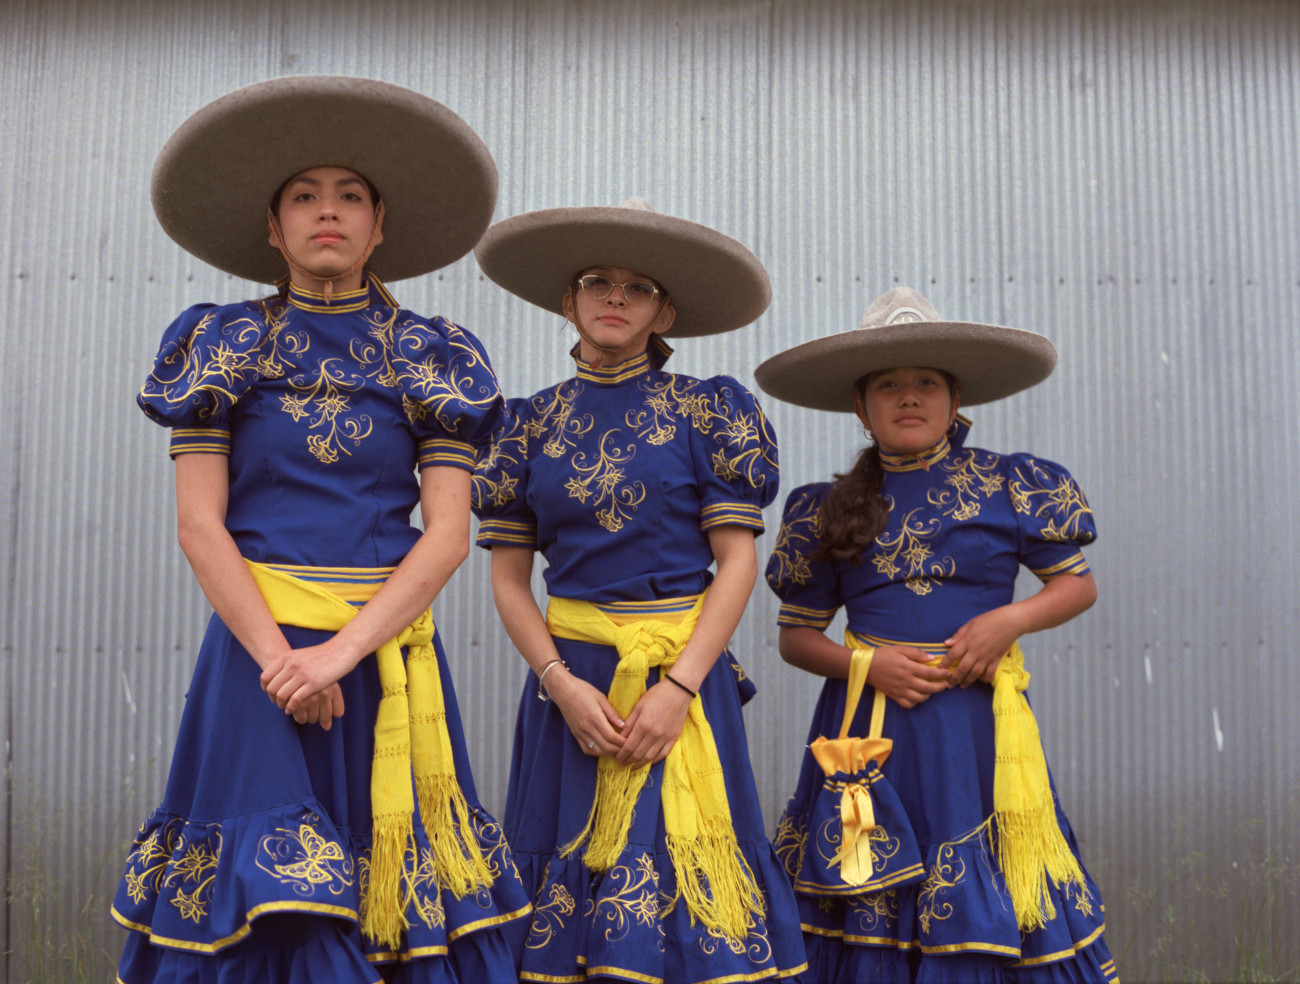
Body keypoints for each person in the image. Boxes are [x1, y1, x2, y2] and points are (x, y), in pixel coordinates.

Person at [111, 76, 530, 983]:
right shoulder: (221, 345)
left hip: (380, 658)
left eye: (349, 197)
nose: (326, 213)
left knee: (396, 889)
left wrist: (335, 657)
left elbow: (448, 535)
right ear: (273, 228)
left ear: (381, 225)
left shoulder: (432, 354)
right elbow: (199, 527)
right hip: (255, 659)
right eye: (304, 197)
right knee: (267, 894)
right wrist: (280, 662)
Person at [470, 199, 807, 983]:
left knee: (688, 870)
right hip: (574, 688)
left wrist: (681, 686)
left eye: (638, 286)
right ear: (569, 301)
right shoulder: (525, 426)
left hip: (680, 681)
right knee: (567, 873)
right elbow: (510, 583)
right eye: (597, 281)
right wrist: (558, 683)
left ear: (666, 311)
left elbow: (737, 565)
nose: (615, 297)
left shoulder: (708, 411)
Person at [755, 287, 1118, 983]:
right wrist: (866, 666)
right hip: (867, 730)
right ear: (862, 408)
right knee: (868, 878)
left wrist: (1007, 621)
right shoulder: (823, 510)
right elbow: (797, 639)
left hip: (978, 731)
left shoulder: (1011, 485)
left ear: (956, 400)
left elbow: (1078, 585)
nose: (909, 396)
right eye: (889, 385)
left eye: (926, 382)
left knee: (989, 872)